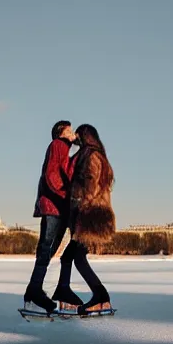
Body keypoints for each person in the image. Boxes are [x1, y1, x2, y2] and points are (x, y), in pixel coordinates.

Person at [53, 124, 116, 314]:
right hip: (88, 215)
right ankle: (66, 291)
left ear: (86, 136)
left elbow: (91, 183)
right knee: (70, 257)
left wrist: (80, 203)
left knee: (77, 258)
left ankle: (101, 296)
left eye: (79, 134)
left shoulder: (93, 156)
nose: (76, 138)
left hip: (89, 216)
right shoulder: (91, 154)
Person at [23, 120, 77, 312]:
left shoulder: (64, 148)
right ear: (61, 134)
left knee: (49, 249)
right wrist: (63, 194)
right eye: (70, 131)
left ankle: (33, 290)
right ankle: (34, 291)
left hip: (58, 207)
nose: (73, 133)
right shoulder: (58, 145)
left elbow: (66, 172)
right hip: (54, 206)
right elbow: (51, 174)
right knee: (46, 249)